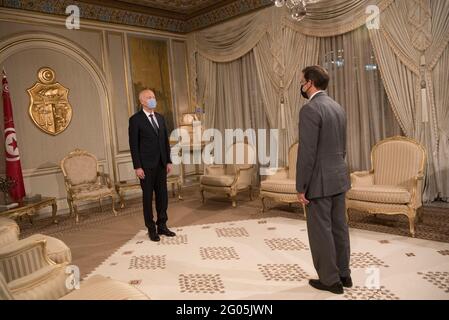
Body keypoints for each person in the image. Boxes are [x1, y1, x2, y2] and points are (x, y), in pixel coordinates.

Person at [296, 66, 352, 294]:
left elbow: (307, 152)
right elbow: (343, 147)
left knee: (321, 231)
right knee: (339, 227)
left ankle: (330, 281)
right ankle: (344, 274)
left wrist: (301, 186)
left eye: (302, 81)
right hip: (338, 177)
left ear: (310, 83)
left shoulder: (310, 109)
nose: (301, 85)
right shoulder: (337, 107)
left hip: (319, 181)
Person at [129, 89, 176, 242]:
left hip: (162, 164)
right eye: (149, 97)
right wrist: (138, 167)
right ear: (142, 101)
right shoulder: (135, 120)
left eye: (153, 97)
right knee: (148, 198)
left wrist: (168, 161)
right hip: (146, 166)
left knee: (163, 196)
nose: (152, 99)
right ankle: (151, 228)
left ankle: (162, 225)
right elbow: (134, 145)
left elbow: (165, 142)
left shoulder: (161, 118)